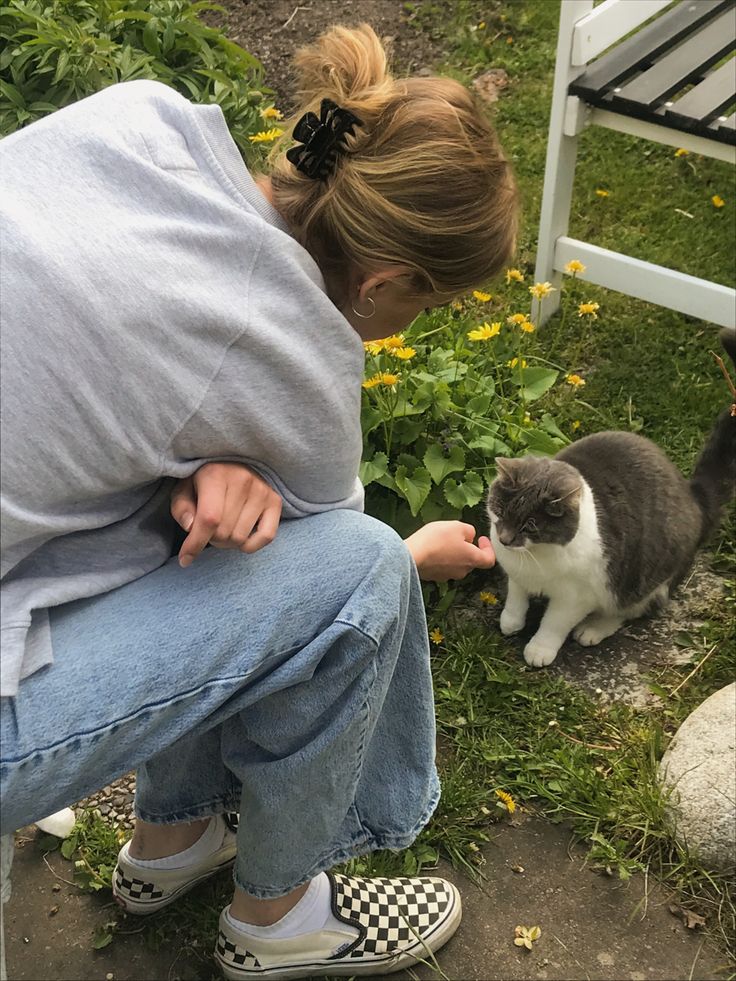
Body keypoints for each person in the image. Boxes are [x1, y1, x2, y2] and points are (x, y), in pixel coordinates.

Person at [0, 22, 517, 979]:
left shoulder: (140, 117)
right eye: (429, 305)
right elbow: (319, 598)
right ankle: (281, 917)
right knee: (356, 563)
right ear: (389, 280)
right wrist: (408, 555)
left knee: (223, 516)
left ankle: (174, 840)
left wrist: (200, 467)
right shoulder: (292, 348)